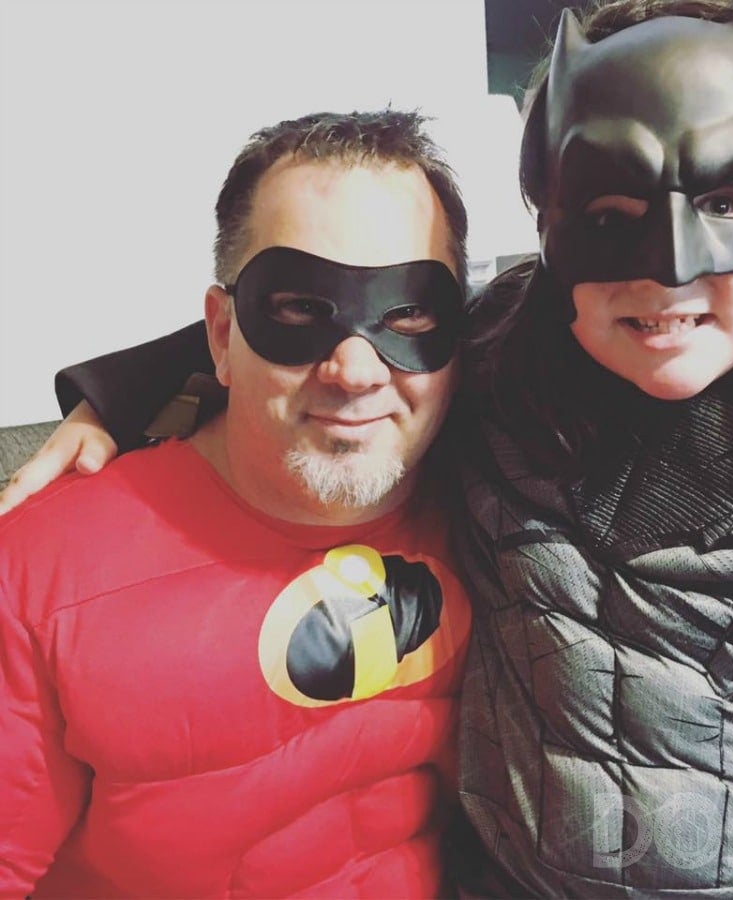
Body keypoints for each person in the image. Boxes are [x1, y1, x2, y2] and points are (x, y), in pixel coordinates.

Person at [3, 1, 733, 897]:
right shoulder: (508, 363)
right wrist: (116, 395)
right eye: (609, 215)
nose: (670, 266)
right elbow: (339, 312)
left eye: (728, 202)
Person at [0, 108, 473, 898]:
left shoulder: (505, 495)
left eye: (409, 313)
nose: (357, 371)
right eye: (299, 311)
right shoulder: (41, 569)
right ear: (221, 335)